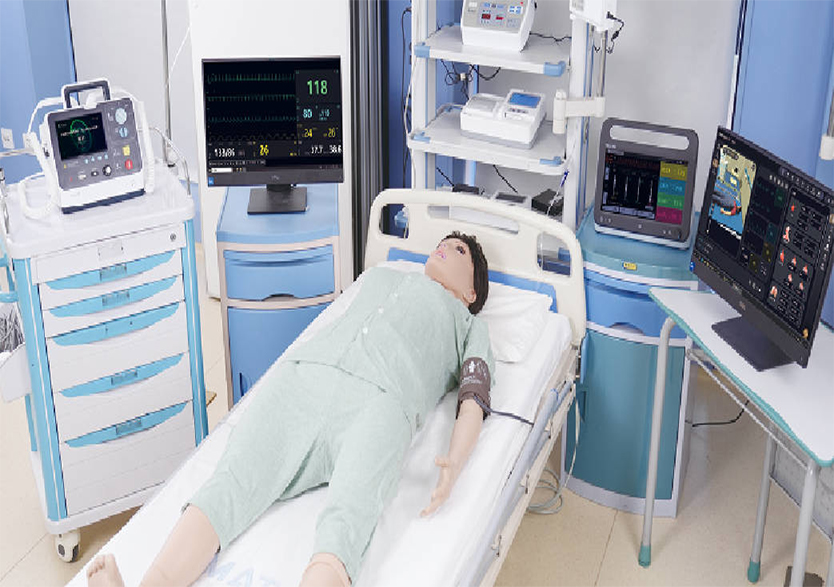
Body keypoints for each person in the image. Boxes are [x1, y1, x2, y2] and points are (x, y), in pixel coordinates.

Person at [87, 231, 494, 587]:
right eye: (442, 242)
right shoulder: (380, 276)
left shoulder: (470, 325)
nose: (444, 247)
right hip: (304, 378)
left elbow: (473, 398)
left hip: (382, 401)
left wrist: (456, 460)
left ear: (472, 293)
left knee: (347, 520)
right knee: (232, 483)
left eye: (458, 250)